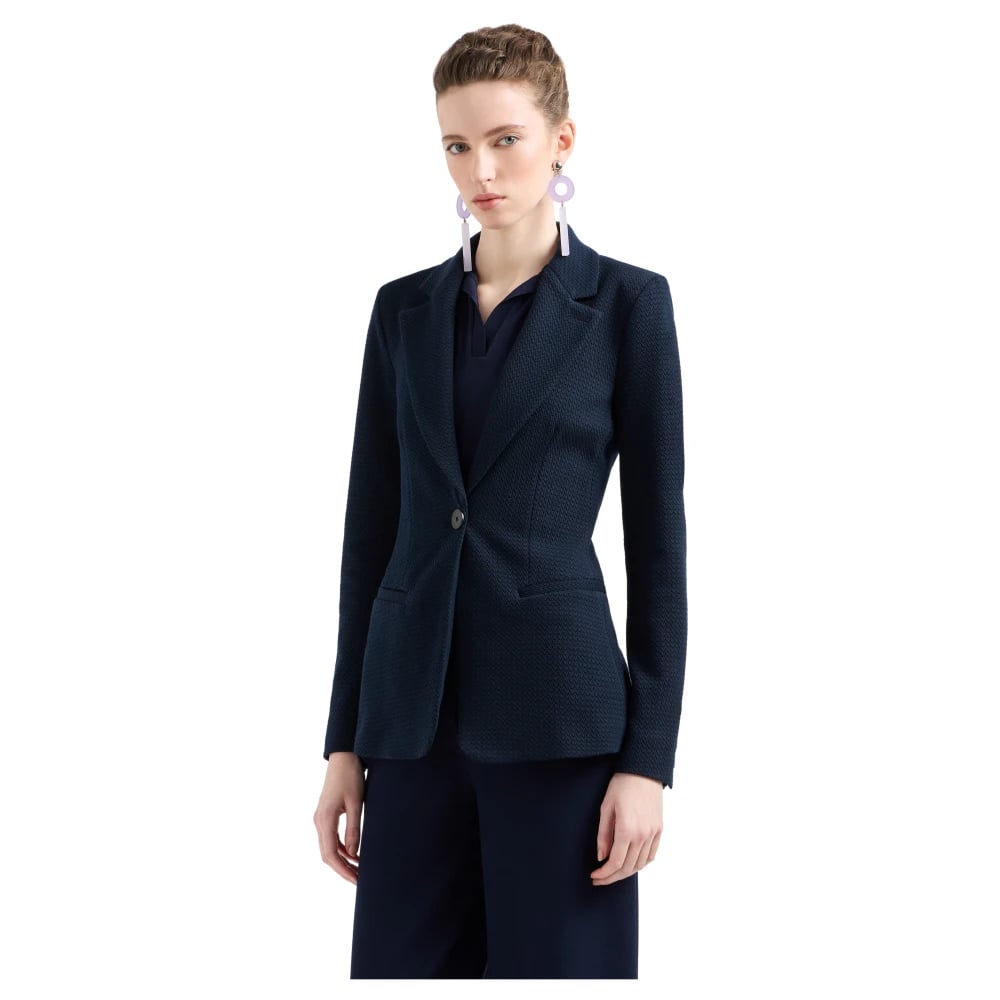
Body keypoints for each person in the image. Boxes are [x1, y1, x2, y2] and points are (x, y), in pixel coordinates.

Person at [313, 23, 687, 979]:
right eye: (456, 144)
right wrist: (344, 742)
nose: (479, 169)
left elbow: (659, 546)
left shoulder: (628, 307)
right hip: (411, 728)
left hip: (560, 728)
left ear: (562, 140)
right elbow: (371, 534)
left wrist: (648, 759)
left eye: (504, 139)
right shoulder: (401, 311)